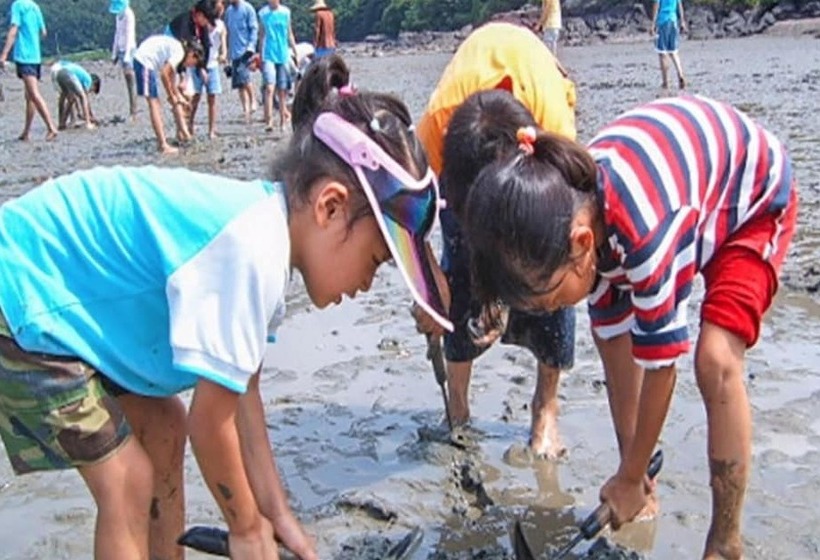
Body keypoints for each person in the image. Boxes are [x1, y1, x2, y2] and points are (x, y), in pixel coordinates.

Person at [0, 53, 450, 560]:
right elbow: (211, 425)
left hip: (54, 294)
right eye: (374, 260)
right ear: (329, 206)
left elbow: (242, 397)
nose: (367, 284)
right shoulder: (250, 250)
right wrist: (244, 526)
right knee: (126, 481)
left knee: (163, 430)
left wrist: (275, 514)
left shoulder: (262, 230)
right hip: (24, 298)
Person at [460, 94, 798, 559]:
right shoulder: (577, 214)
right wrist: (632, 473)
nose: (551, 308)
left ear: (581, 245)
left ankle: (725, 543)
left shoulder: (643, 231)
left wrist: (631, 474)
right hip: (687, 185)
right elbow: (616, 348)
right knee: (614, 341)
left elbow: (661, 366)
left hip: (752, 197)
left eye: (550, 297)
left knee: (716, 359)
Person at [413, 22, 577, 458]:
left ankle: (545, 407)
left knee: (548, 263)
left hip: (535, 133)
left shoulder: (552, 127)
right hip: (464, 148)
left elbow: (574, 223)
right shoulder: (437, 127)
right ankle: (459, 407)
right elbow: (406, 207)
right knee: (460, 270)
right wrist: (428, 279)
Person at [133, 35, 204, 154]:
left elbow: (171, 80)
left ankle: (184, 134)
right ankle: (163, 145)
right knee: (154, 104)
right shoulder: (179, 53)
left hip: (144, 60)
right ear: (192, 54)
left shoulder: (176, 50)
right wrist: (171, 96)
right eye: (193, 63)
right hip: (144, 62)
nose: (190, 66)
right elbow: (164, 74)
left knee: (158, 102)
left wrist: (177, 97)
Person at [0, 0, 58, 141]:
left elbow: (14, 29)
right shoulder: (35, 6)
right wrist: (32, 39)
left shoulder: (18, 5)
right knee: (29, 96)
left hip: (25, 56)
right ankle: (26, 132)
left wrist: (4, 54)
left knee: (34, 94)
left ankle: (51, 127)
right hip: (35, 56)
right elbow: (43, 32)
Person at [189, 1, 227, 139]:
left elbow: (223, 43)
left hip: (213, 64)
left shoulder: (220, 26)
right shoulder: (200, 24)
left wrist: (223, 54)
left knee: (212, 97)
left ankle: (212, 130)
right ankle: (189, 125)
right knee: (196, 96)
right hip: (197, 64)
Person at [259, 0, 297, 131]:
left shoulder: (286, 12)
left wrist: (295, 50)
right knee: (269, 88)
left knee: (282, 90)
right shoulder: (263, 13)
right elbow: (261, 36)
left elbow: (289, 33)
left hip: (283, 55)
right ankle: (269, 121)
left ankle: (283, 121)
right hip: (269, 54)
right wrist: (260, 55)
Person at [225, 0, 259, 122]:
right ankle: (246, 110)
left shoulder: (248, 8)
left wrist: (251, 46)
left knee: (245, 78)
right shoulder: (229, 11)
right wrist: (227, 53)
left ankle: (253, 100)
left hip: (245, 50)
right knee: (239, 83)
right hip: (234, 51)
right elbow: (228, 32)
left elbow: (254, 29)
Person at [50, 60, 101, 130]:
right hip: (67, 73)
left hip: (58, 72)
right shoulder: (88, 80)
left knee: (69, 98)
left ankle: (62, 123)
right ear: (94, 84)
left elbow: (76, 99)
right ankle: (88, 123)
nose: (90, 91)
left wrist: (80, 112)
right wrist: (90, 116)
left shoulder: (79, 77)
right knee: (82, 96)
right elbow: (85, 99)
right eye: (92, 90)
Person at [110, 0, 137, 121]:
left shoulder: (129, 14)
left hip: (129, 49)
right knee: (127, 82)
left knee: (131, 81)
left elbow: (130, 35)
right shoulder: (118, 15)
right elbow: (117, 34)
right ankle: (132, 111)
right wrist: (114, 53)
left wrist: (126, 56)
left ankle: (134, 112)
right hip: (120, 49)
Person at [651, 0, 687, 90]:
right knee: (674, 52)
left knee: (662, 53)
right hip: (673, 20)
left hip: (663, 21)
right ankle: (680, 74)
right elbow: (679, 5)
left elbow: (656, 5)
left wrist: (653, 24)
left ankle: (665, 82)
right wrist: (682, 21)